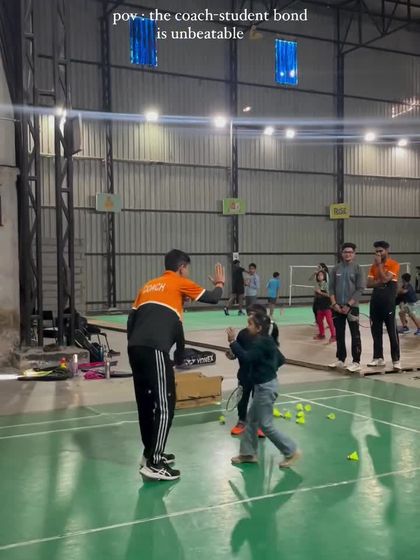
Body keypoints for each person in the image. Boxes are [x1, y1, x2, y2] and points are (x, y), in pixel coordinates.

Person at [127, 249, 225, 481]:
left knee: (146, 404)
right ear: (181, 268)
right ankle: (154, 463)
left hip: (135, 348)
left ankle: (150, 452)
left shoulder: (149, 286)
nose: (188, 272)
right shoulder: (179, 282)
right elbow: (213, 297)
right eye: (187, 269)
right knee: (165, 405)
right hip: (154, 348)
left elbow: (132, 320)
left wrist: (175, 355)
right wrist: (220, 284)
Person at [227, 312, 300, 468]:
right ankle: (248, 454)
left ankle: (291, 451)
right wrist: (267, 369)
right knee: (251, 420)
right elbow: (279, 360)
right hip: (263, 386)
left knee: (266, 425)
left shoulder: (262, 343)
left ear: (259, 328)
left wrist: (232, 342)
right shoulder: (265, 341)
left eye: (250, 324)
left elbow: (246, 358)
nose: (247, 327)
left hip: (266, 389)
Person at [227, 303, 272, 437]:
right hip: (244, 375)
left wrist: (232, 342)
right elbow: (238, 353)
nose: (249, 319)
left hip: (259, 377)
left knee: (258, 401)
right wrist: (232, 354)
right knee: (242, 400)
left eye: (252, 317)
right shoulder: (242, 334)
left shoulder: (265, 339)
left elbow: (248, 357)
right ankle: (242, 421)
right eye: (249, 316)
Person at [328, 242, 365, 373]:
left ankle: (356, 362)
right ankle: (340, 359)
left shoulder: (358, 268)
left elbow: (360, 289)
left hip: (352, 308)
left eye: (350, 252)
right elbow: (331, 288)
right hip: (337, 308)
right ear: (342, 253)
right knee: (339, 334)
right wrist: (334, 304)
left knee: (355, 334)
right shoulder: (335, 269)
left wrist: (349, 304)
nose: (347, 254)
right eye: (345, 252)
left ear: (354, 254)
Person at [366, 241, 401, 370]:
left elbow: (386, 279)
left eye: (381, 251)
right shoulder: (373, 266)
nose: (378, 253)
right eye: (376, 251)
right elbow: (368, 284)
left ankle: (396, 359)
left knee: (392, 332)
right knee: (376, 331)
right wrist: (380, 282)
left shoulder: (394, 264)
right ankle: (378, 358)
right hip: (375, 303)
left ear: (387, 250)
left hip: (388, 304)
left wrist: (380, 266)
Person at [313, 270, 336, 342]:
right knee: (319, 320)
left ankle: (333, 335)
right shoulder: (317, 284)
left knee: (329, 321)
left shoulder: (326, 284)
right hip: (319, 305)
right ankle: (322, 334)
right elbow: (316, 294)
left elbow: (329, 295)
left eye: (321, 275)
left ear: (324, 276)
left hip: (327, 305)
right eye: (318, 275)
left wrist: (320, 292)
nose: (319, 276)